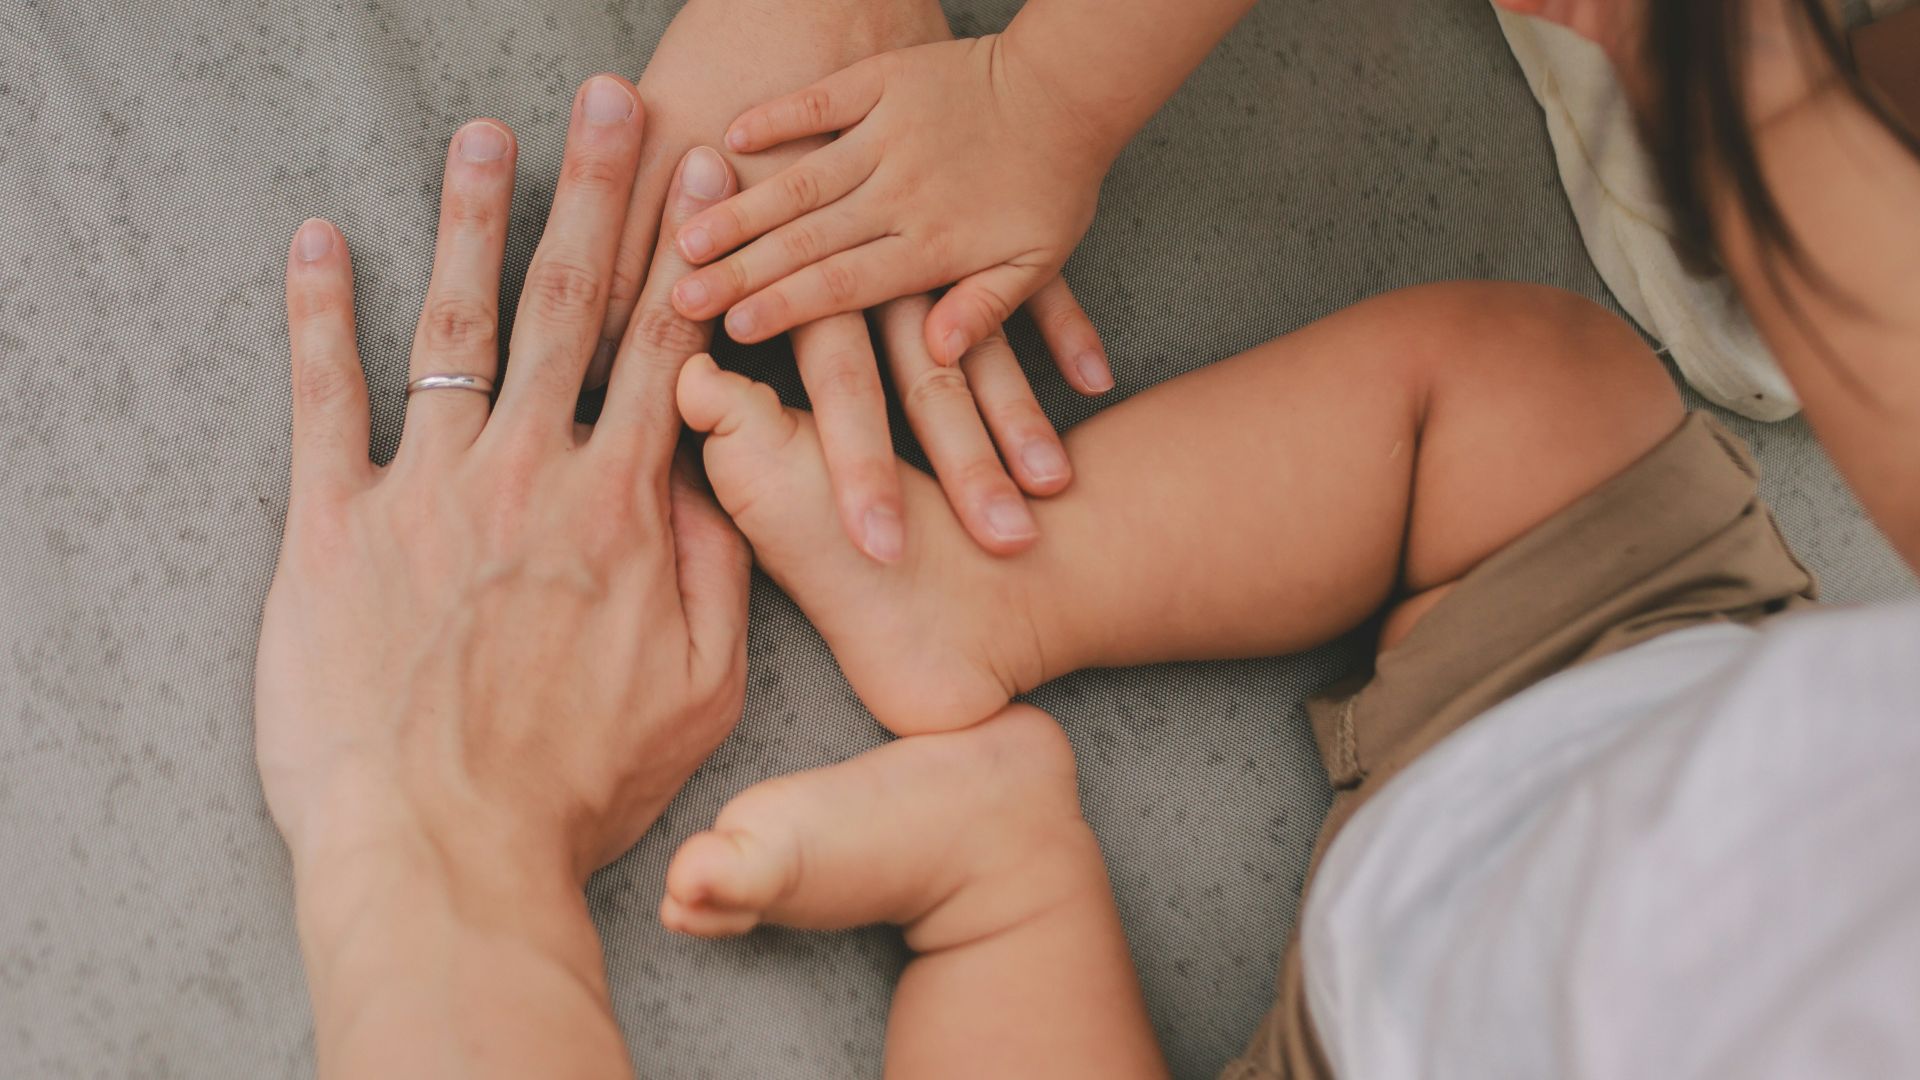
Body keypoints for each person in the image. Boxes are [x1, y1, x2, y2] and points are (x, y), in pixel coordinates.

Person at [653, 0, 1920, 1076]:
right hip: (1650, 699)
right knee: (1540, 390)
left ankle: (997, 885)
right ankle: (997, 587)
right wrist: (1745, 82)